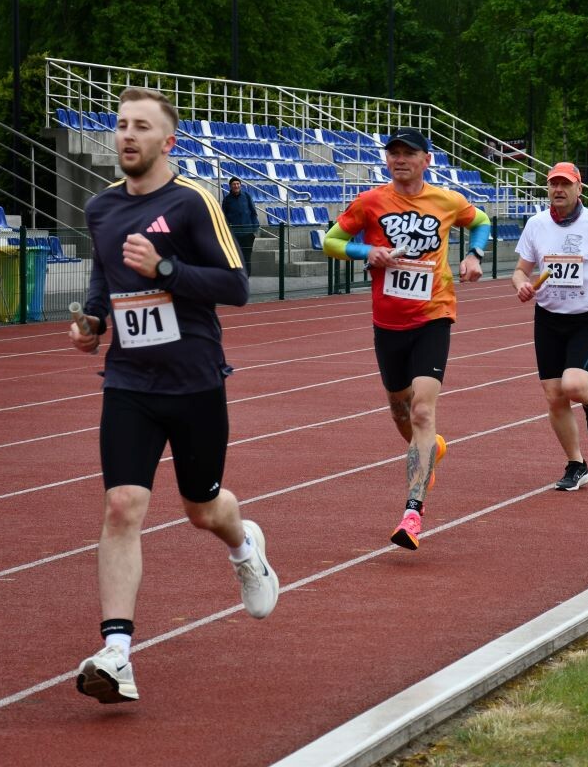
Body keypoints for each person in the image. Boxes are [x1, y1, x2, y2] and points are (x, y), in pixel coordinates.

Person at [69, 87, 278, 704]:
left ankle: (244, 545)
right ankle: (116, 654)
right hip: (129, 382)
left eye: (141, 126)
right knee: (122, 506)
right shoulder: (101, 208)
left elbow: (236, 287)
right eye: (121, 125)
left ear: (168, 141)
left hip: (194, 381)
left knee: (202, 508)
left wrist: (165, 269)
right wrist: (92, 321)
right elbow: (104, 278)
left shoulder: (192, 202)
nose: (127, 135)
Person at [322, 127, 491, 550]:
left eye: (409, 153)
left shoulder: (447, 201)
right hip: (388, 322)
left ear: (426, 160)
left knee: (421, 410)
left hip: (433, 315)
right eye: (393, 153)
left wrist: (475, 254)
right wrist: (366, 252)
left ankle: (413, 513)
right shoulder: (370, 202)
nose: (399, 159)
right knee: (400, 412)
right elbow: (330, 241)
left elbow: (481, 221)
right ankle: (429, 450)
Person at [511, 162, 588, 491]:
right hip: (548, 319)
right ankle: (577, 464)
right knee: (554, 396)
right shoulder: (536, 225)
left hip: (585, 319)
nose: (558, 189)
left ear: (579, 189)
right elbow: (520, 271)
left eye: (565, 184)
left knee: (573, 385)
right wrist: (521, 284)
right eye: (554, 184)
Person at [220, 176, 260, 274]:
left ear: (240, 185)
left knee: (247, 257)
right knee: (235, 257)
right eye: (234, 184)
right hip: (235, 235)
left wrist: (254, 230)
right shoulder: (227, 200)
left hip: (248, 234)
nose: (236, 186)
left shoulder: (246, 196)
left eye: (238, 184)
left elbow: (253, 213)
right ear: (230, 186)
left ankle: (246, 277)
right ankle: (237, 277)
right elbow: (224, 217)